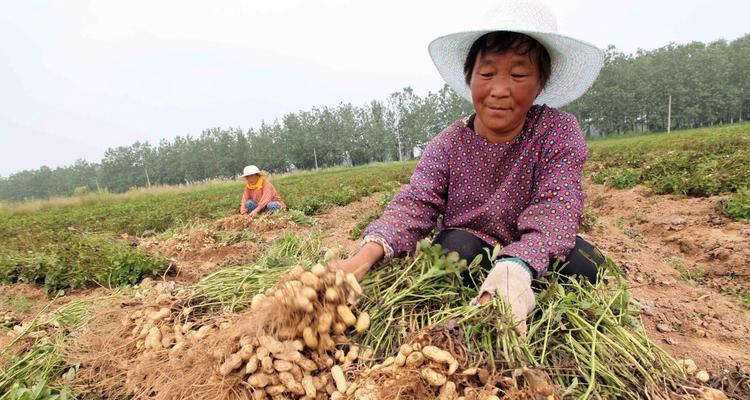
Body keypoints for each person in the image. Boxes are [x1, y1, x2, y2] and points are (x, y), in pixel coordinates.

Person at [332, 0, 607, 336]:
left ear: (539, 84)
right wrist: (362, 259)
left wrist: (515, 268)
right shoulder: (447, 144)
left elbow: (557, 207)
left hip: (533, 247)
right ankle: (481, 298)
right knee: (453, 252)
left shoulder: (557, 131)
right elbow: (416, 203)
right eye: (487, 73)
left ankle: (515, 291)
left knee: (586, 265)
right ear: (470, 78)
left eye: (518, 74)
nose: (499, 89)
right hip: (470, 244)